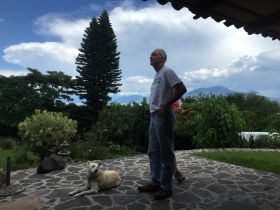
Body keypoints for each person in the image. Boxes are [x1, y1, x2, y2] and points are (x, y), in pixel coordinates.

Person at [138, 49, 186, 200]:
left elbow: (181, 89)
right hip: (154, 116)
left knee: (166, 152)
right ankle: (155, 182)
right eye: (150, 53)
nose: (150, 56)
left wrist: (165, 106)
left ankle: (166, 187)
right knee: (153, 151)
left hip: (163, 115)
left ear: (162, 58)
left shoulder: (167, 71)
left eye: (154, 54)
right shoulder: (157, 75)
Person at [172, 100, 186, 183]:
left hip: (166, 122)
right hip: (162, 120)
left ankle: (176, 172)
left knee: (168, 149)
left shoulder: (174, 94)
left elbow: (174, 108)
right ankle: (176, 172)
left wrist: (181, 112)